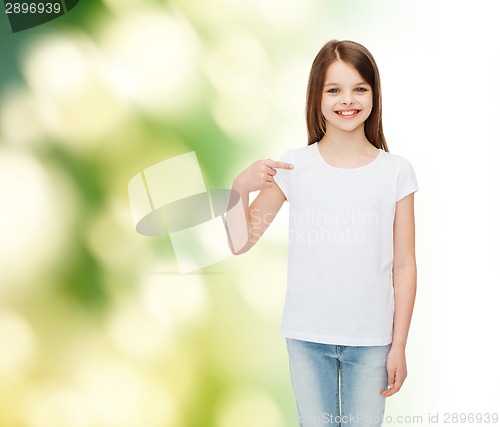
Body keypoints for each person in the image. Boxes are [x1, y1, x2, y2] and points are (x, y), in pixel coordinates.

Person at [225, 39, 419, 427]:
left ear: (374, 94)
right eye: (334, 89)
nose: (347, 100)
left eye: (359, 88)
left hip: (372, 341)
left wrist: (398, 346)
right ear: (317, 97)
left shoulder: (396, 171)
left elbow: (405, 265)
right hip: (307, 335)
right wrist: (237, 191)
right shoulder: (294, 166)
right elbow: (241, 242)